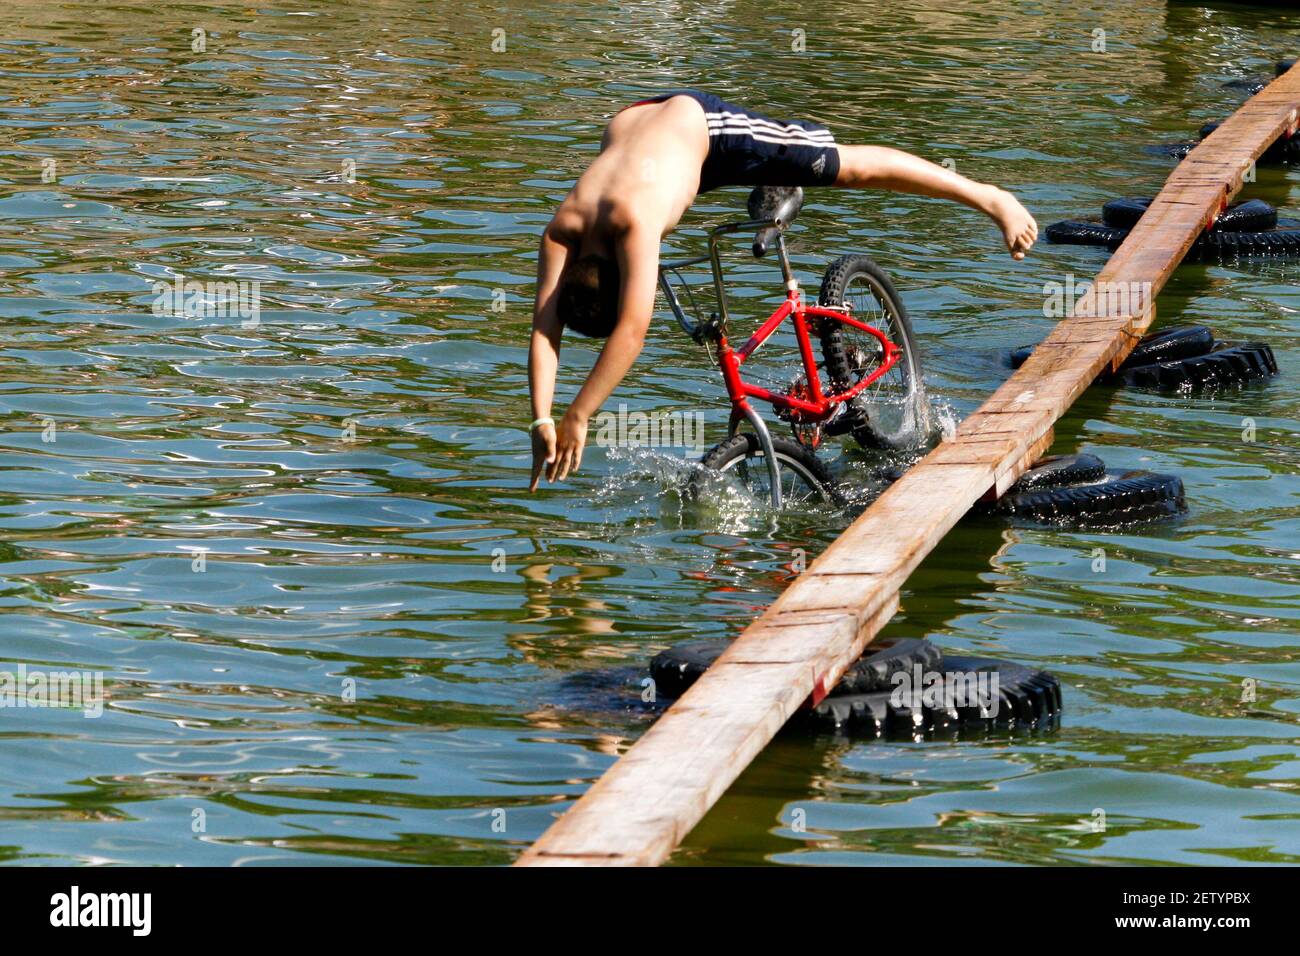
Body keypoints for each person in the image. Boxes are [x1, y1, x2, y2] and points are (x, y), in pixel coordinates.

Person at [528, 90, 1038, 490]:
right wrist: (541, 419)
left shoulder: (632, 225)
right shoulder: (562, 228)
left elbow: (632, 331)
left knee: (848, 167)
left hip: (700, 127)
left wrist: (579, 414)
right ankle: (776, 185)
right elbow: (544, 328)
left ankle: (990, 198)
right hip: (640, 129)